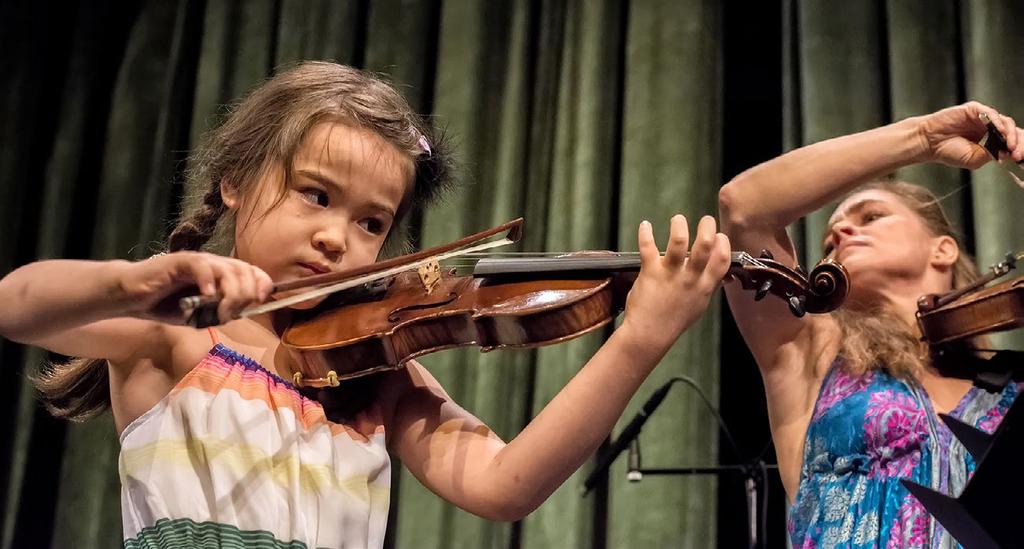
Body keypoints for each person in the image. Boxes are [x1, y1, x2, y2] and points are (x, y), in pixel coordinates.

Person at [0, 61, 732, 548]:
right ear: (233, 180)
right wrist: (134, 285)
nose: (335, 238)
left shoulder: (371, 373)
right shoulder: (178, 336)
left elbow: (504, 484)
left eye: (372, 223)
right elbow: (15, 303)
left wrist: (641, 336)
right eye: (316, 195)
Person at [718, 101, 1024, 547]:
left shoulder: (1011, 385)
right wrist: (921, 138)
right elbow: (744, 207)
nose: (841, 233)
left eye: (871, 217)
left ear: (942, 249)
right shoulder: (812, 351)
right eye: (830, 236)